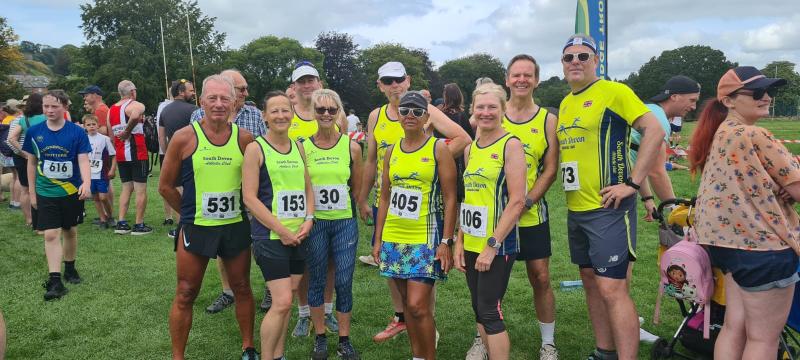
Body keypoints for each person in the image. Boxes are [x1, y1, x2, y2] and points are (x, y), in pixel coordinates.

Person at [557, 34, 664, 360]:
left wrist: (633, 185)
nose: (575, 61)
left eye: (582, 56)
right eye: (568, 57)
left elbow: (654, 130)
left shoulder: (614, 92)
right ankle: (605, 351)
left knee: (612, 289)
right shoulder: (565, 102)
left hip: (610, 208)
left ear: (596, 61)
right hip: (576, 209)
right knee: (590, 283)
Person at [689, 66, 800, 359]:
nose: (767, 98)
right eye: (758, 92)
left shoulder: (719, 133)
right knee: (763, 339)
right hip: (763, 248)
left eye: (769, 92)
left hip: (727, 245)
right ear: (728, 100)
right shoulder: (755, 134)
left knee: (733, 327)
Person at [357, 61, 470, 343]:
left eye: (398, 80)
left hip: (423, 207)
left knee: (422, 273)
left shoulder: (425, 109)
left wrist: (434, 157)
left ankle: (425, 323)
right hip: (390, 203)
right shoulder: (375, 116)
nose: (394, 85)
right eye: (388, 81)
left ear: (407, 81)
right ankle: (401, 317)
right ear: (380, 85)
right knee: (391, 265)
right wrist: (362, 197)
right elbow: (371, 160)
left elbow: (462, 137)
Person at [159, 74, 258, 360]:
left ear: (234, 102)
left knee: (241, 287)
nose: (218, 104)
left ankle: (248, 347)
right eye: (212, 98)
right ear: (201, 101)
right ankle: (178, 356)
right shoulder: (185, 137)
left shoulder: (244, 138)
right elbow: (165, 186)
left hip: (234, 227)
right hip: (197, 227)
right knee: (186, 292)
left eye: (224, 98)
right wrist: (188, 213)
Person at [372, 91, 457, 360]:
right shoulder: (392, 151)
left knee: (419, 305)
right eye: (405, 110)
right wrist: (378, 239)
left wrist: (446, 241)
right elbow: (384, 196)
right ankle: (417, 356)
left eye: (417, 111)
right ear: (398, 114)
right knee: (408, 308)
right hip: (394, 236)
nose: (410, 115)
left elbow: (451, 197)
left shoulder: (438, 148)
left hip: (425, 236)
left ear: (426, 118)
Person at [453, 83, 526, 360]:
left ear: (503, 110)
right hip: (472, 241)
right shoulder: (470, 149)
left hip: (498, 244)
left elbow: (518, 200)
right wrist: (460, 240)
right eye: (480, 107)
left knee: (489, 310)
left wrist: (492, 245)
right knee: (478, 308)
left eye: (492, 107)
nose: (486, 112)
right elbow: (469, 199)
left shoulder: (511, 145)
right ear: (472, 110)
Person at [496, 54, 560, 360]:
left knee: (541, 276)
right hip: (495, 216)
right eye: (516, 75)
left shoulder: (547, 119)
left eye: (528, 75)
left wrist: (528, 200)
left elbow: (550, 169)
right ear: (507, 79)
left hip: (532, 214)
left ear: (536, 79)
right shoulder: (493, 113)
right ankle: (483, 338)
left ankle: (548, 342)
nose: (522, 80)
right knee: (491, 281)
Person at [242, 90, 314, 360]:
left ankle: (278, 354)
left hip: (299, 234)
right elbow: (249, 197)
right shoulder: (255, 149)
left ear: (292, 113)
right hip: (270, 237)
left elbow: (308, 186)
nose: (281, 115)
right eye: (275, 111)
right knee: (282, 302)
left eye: (286, 110)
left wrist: (309, 219)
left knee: (290, 296)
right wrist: (282, 230)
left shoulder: (298, 146)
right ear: (265, 116)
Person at [190, 69, 267, 315]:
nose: (245, 92)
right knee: (222, 248)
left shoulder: (254, 114)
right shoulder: (196, 116)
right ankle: (228, 292)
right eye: (241, 88)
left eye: (244, 89)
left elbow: (264, 153)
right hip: (215, 195)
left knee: (261, 243)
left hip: (251, 194)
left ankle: (268, 287)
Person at [306, 89, 363, 360]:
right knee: (316, 278)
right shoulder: (302, 147)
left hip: (344, 222)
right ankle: (319, 337)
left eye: (332, 109)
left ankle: (344, 339)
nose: (326, 114)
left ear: (339, 111)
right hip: (315, 223)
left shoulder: (351, 146)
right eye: (321, 110)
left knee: (343, 280)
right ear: (313, 113)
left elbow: (357, 187)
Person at [286, 60, 339, 337]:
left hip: (330, 200)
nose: (307, 85)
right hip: (297, 200)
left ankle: (328, 311)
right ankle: (304, 313)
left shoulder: (331, 113)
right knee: (303, 260)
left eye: (311, 80)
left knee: (329, 259)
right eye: (302, 81)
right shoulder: (286, 115)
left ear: (319, 82)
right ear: (294, 86)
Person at [23, 90, 92, 300]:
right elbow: (32, 163)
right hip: (45, 191)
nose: (49, 110)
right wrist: (32, 193)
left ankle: (70, 268)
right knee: (51, 234)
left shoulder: (77, 132)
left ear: (64, 107)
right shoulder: (35, 132)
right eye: (46, 106)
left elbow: (82, 160)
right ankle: (55, 280)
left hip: (71, 190)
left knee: (70, 230)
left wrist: (86, 183)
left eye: (54, 106)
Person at [633, 75, 700, 221]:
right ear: (674, 97)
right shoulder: (658, 119)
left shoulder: (649, 110)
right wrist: (674, 209)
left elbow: (637, 162)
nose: (694, 107)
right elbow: (656, 171)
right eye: (692, 100)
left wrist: (648, 198)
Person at [108, 80, 152, 235]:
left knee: (127, 188)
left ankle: (121, 222)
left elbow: (112, 136)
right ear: (133, 91)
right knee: (141, 189)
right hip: (137, 153)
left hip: (121, 154)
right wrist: (127, 131)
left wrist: (121, 138)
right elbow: (134, 115)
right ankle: (139, 225)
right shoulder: (135, 104)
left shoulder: (111, 110)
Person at [159, 79, 198, 237]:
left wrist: (169, 154)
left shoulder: (165, 111)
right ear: (181, 92)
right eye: (191, 90)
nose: (194, 93)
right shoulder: (194, 110)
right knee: (189, 190)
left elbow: (161, 137)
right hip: (193, 156)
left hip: (172, 155)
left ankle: (180, 224)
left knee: (176, 188)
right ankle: (187, 224)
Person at [6, 93, 44, 228]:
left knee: (25, 189)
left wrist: (23, 153)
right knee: (41, 188)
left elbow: (10, 139)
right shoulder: (45, 118)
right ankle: (42, 218)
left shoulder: (21, 120)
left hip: (22, 157)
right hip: (40, 156)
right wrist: (29, 154)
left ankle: (29, 219)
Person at [79, 85, 115, 226]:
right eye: (88, 125)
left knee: (104, 192)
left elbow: (104, 130)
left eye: (86, 95)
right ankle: (104, 217)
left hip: (101, 158)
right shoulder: (100, 109)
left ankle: (108, 214)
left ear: (94, 95)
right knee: (97, 195)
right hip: (93, 164)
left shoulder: (100, 110)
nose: (84, 98)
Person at [84, 114, 116, 228]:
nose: (91, 126)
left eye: (93, 124)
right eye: (88, 125)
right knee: (95, 198)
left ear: (98, 125)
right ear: (85, 127)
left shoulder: (105, 139)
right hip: (89, 174)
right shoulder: (83, 139)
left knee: (103, 197)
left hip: (102, 173)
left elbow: (113, 155)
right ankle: (102, 219)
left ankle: (110, 216)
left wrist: (112, 169)